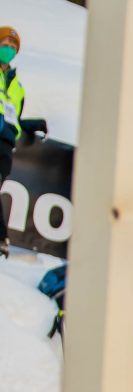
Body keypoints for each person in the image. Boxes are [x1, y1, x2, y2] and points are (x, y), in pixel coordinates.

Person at [0, 26, 24, 258]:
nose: (8, 50)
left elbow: (16, 117)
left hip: (5, 146)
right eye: (4, 44)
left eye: (12, 47)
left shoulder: (17, 86)